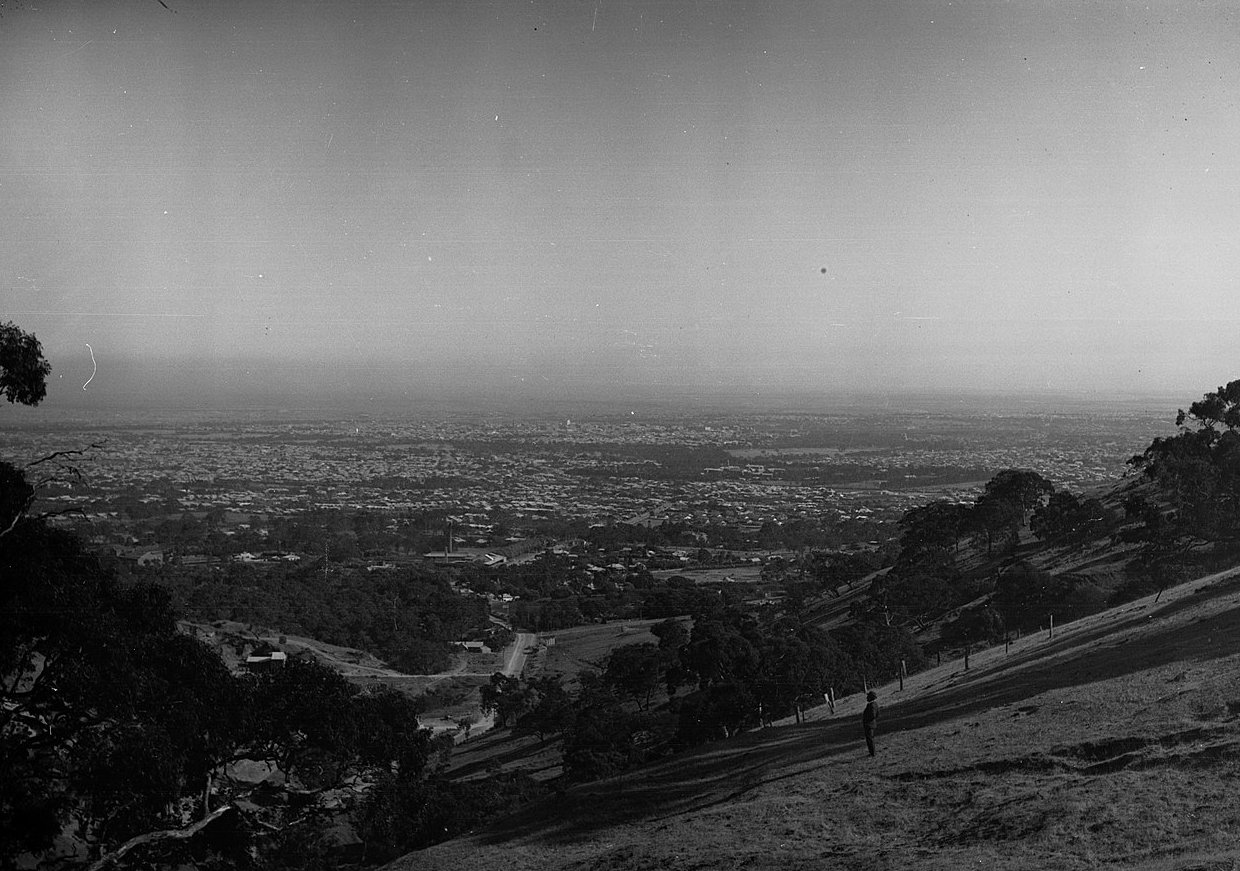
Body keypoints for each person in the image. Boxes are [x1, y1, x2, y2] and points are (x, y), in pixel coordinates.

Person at [862, 690, 879, 757]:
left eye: (868, 696)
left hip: (869, 724)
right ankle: (872, 752)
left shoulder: (872, 705)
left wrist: (867, 720)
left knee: (870, 739)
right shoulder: (874, 704)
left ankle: (872, 753)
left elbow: (873, 715)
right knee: (870, 739)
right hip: (871, 724)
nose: (866, 698)